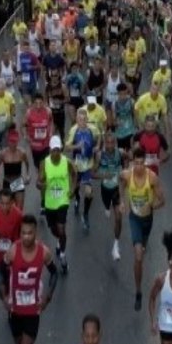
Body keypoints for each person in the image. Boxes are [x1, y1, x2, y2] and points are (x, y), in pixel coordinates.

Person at [1, 214, 59, 344]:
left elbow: (55, 273)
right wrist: (4, 295)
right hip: (15, 310)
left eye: (30, 233)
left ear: (36, 233)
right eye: (23, 233)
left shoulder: (44, 253)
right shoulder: (13, 251)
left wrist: (48, 298)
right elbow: (1, 269)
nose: (26, 237)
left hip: (33, 310)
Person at [120, 147, 166, 311]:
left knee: (143, 247)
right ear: (132, 163)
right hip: (134, 219)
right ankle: (138, 291)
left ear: (145, 163)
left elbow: (162, 200)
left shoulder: (152, 178)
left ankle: (142, 246)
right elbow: (121, 182)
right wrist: (122, 201)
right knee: (138, 255)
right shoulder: (127, 174)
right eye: (136, 163)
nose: (138, 167)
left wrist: (153, 204)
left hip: (148, 219)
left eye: (141, 163)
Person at [38, 136, 78, 274]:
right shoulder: (44, 163)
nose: (56, 153)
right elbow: (39, 182)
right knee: (54, 230)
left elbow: (74, 173)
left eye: (58, 150)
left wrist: (72, 189)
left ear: (60, 149)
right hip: (50, 202)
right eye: (53, 150)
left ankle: (62, 255)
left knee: (61, 229)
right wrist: (41, 184)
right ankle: (59, 241)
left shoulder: (67, 162)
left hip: (63, 200)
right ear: (50, 150)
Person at [66, 109, 101, 232]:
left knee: (89, 192)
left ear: (87, 119)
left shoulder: (93, 128)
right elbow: (67, 147)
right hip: (76, 167)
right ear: (76, 120)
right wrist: (77, 146)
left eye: (84, 119)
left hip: (87, 166)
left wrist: (97, 146)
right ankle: (77, 198)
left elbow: (99, 136)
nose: (82, 122)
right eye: (80, 119)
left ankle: (85, 214)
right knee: (75, 188)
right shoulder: (73, 130)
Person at [94, 131, 127, 261]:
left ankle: (116, 246)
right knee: (107, 207)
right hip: (105, 189)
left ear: (115, 143)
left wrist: (124, 172)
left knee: (118, 217)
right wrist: (104, 176)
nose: (110, 145)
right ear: (104, 144)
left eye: (112, 142)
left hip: (117, 189)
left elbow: (127, 161)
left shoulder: (120, 153)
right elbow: (92, 173)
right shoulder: (99, 155)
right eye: (107, 143)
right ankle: (107, 207)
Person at [0, 189, 24, 300]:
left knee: (12, 284)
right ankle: (5, 296)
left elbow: (23, 232)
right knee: (0, 284)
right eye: (2, 203)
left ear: (12, 203)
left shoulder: (18, 215)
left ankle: (11, 306)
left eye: (7, 204)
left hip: (13, 255)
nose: (4, 206)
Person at [24, 93, 54, 213]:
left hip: (45, 146)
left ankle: (43, 202)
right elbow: (23, 126)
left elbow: (51, 123)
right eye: (36, 103)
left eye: (40, 103)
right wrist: (26, 136)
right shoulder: (28, 113)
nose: (38, 105)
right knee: (39, 173)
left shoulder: (48, 112)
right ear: (33, 103)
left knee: (42, 175)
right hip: (34, 147)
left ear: (43, 102)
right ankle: (44, 189)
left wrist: (50, 132)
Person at [0, 129, 31, 210]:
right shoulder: (3, 154)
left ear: (17, 141)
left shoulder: (22, 153)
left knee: (19, 209)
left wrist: (27, 175)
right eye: (11, 142)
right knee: (7, 209)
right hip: (7, 181)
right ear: (8, 142)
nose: (13, 144)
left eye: (14, 142)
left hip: (18, 181)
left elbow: (27, 164)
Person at [113, 83, 136, 152]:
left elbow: (134, 114)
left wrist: (136, 126)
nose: (123, 96)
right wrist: (116, 123)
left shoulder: (131, 101)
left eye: (124, 94)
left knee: (131, 149)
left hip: (130, 129)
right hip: (120, 131)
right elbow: (114, 117)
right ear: (118, 93)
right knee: (121, 151)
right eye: (121, 94)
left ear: (126, 92)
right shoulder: (115, 103)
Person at [45, 70, 68, 138]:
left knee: (61, 131)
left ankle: (62, 145)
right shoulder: (48, 87)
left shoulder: (62, 86)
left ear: (58, 76)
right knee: (52, 130)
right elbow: (45, 99)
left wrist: (60, 102)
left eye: (55, 76)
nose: (54, 77)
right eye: (52, 76)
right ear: (50, 76)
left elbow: (68, 99)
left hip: (60, 112)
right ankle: (53, 145)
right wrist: (46, 107)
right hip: (51, 112)